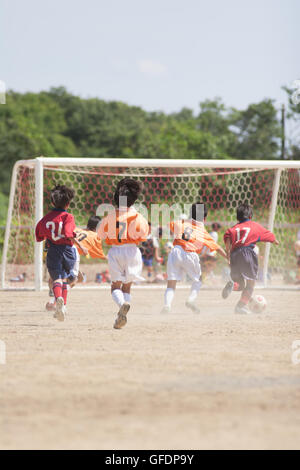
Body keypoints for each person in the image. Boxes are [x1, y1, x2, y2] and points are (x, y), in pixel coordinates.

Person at [98, 178, 149, 329]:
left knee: (115, 287)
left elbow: (101, 234)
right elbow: (143, 235)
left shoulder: (110, 216)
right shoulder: (138, 216)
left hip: (115, 251)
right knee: (127, 287)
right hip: (132, 251)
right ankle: (124, 310)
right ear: (133, 200)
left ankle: (122, 305)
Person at [161, 202, 227, 314]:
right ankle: (191, 300)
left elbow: (169, 225)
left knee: (171, 283)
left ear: (190, 214)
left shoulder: (180, 223)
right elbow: (218, 248)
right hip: (190, 254)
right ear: (204, 219)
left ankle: (167, 305)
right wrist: (228, 257)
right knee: (199, 279)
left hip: (176, 251)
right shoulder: (202, 231)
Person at [35, 185, 88, 322]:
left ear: (52, 202)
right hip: (67, 251)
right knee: (64, 279)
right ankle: (62, 305)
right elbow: (69, 233)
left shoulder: (45, 219)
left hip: (53, 250)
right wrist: (81, 246)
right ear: (68, 203)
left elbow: (39, 235)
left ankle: (57, 299)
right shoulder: (68, 217)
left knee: (56, 278)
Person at [222, 203, 279, 314]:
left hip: (234, 255)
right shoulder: (254, 226)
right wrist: (274, 240)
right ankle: (240, 306)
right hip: (247, 254)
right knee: (251, 284)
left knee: (240, 285)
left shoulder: (233, 228)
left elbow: (227, 236)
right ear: (250, 216)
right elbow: (268, 235)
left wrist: (228, 252)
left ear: (237, 217)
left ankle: (233, 285)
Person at [45, 215, 107, 311]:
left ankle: (53, 292)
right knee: (73, 280)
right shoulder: (95, 236)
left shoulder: (77, 229)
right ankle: (54, 300)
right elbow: (99, 255)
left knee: (58, 276)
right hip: (73, 252)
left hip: (60, 249)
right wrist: (110, 257)